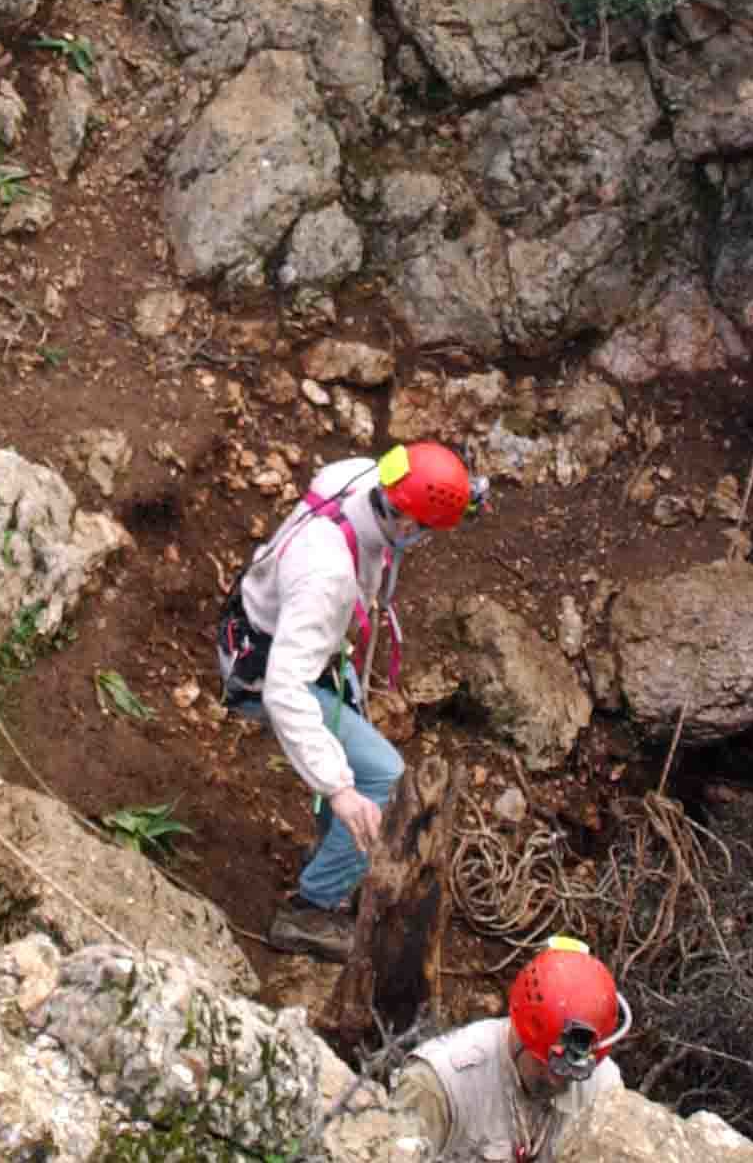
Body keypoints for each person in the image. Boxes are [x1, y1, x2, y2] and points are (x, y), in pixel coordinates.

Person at [216, 439, 479, 960]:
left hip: (271, 632)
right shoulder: (327, 577)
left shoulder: (364, 475)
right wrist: (337, 788)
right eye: (423, 531)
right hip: (265, 672)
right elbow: (284, 690)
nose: (422, 541)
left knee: (356, 751)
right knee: (383, 776)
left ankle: (332, 853)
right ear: (404, 524)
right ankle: (311, 911)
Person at [392, 940, 630, 1161]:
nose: (555, 1080)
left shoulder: (602, 1089)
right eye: (544, 1064)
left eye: (571, 1073)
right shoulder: (440, 1084)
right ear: (521, 1031)